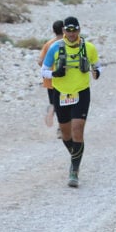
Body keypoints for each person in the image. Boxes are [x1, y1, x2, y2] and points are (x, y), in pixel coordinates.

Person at [41, 16, 101, 187]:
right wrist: (54, 74)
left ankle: (74, 170)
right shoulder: (55, 48)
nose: (72, 33)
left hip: (81, 93)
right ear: (64, 31)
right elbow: (43, 70)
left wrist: (97, 73)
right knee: (66, 134)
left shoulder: (88, 48)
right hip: (61, 94)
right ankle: (75, 156)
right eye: (69, 30)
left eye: (75, 30)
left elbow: (97, 65)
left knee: (77, 130)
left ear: (79, 30)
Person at [38, 19, 64, 127]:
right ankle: (61, 128)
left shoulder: (49, 44)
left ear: (54, 31)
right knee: (65, 104)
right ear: (64, 29)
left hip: (50, 80)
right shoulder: (68, 43)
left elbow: (40, 62)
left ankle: (52, 110)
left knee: (55, 102)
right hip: (64, 79)